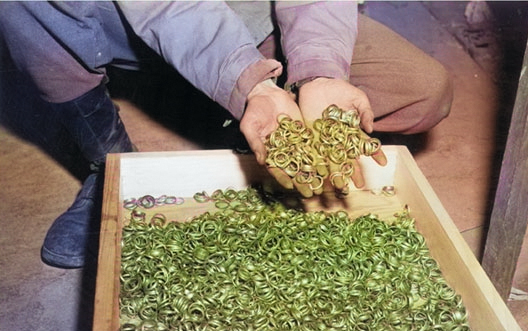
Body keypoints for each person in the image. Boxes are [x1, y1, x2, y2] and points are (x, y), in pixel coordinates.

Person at [0, 1, 452, 269]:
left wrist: (318, 72)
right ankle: (109, 164)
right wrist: (246, 82)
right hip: (118, 22)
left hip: (243, 18)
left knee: (421, 89)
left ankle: (237, 115)